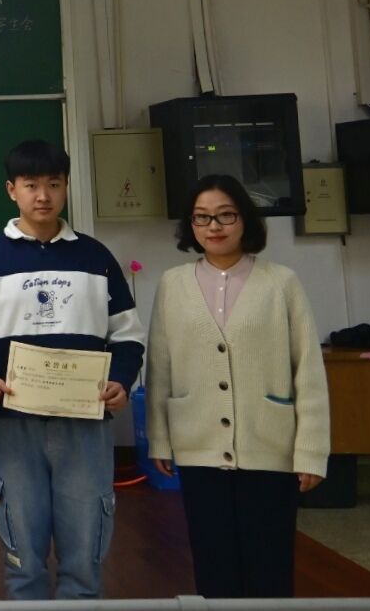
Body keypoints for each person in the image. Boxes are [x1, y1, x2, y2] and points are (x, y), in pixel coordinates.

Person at [0, 139, 145, 601]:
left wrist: (121, 380)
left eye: (54, 184)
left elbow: (128, 336)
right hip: (11, 424)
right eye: (31, 185)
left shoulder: (95, 258)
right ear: (11, 190)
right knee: (23, 551)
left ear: (66, 187)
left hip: (84, 422)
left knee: (85, 551)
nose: (43, 196)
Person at [147, 174, 329, 598]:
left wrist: (311, 450)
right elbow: (159, 368)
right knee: (213, 566)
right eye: (202, 217)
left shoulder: (281, 282)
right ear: (191, 225)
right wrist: (159, 440)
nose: (214, 226)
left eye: (225, 215)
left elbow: (308, 370)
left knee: (270, 566)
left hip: (270, 447)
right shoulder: (172, 284)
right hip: (198, 446)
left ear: (245, 219)